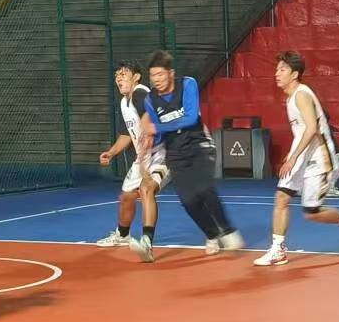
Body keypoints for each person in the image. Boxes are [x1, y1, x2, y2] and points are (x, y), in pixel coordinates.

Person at [253, 52, 339, 266]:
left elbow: (312, 128)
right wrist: (294, 154)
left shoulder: (301, 94)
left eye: (282, 69)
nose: (277, 73)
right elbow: (302, 131)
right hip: (301, 156)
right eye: (277, 69)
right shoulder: (290, 97)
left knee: (312, 213)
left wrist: (293, 157)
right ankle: (278, 249)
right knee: (281, 197)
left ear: (295, 74)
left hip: (319, 158)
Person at [137, 50, 242, 253]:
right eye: (153, 76)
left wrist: (155, 128)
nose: (156, 79)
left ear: (170, 73)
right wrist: (149, 139)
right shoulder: (150, 100)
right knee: (188, 201)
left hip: (199, 144)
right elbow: (158, 131)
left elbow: (191, 118)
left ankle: (228, 231)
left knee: (204, 188)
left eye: (160, 74)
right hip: (175, 152)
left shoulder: (187, 84)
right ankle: (212, 234)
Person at [96, 61, 170, 261]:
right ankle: (123, 235)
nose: (118, 78)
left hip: (161, 152)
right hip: (142, 157)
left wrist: (149, 133)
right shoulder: (124, 102)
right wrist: (111, 152)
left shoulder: (140, 93)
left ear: (136, 77)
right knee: (127, 197)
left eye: (123, 74)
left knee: (146, 189)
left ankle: (146, 243)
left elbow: (149, 116)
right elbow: (126, 134)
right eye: (116, 76)